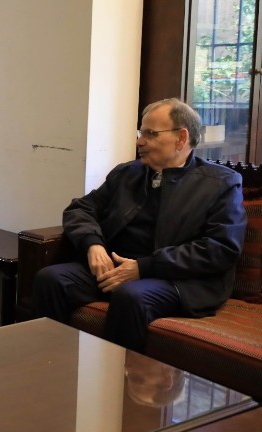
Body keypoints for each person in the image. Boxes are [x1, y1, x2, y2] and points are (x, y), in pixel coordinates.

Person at [31, 98, 246, 352]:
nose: (139, 142)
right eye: (140, 133)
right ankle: (49, 364)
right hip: (115, 269)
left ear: (181, 138)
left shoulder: (220, 183)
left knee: (131, 296)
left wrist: (143, 267)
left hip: (175, 279)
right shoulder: (127, 173)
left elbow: (221, 248)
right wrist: (93, 245)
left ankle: (114, 377)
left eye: (150, 134)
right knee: (52, 279)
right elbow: (80, 209)